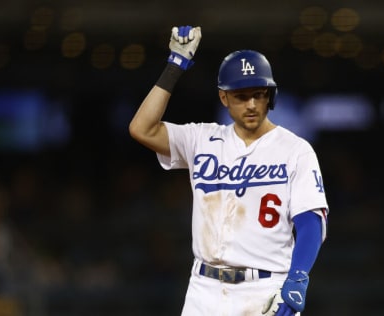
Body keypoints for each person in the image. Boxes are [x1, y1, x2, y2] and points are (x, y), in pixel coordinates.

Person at [129, 25, 329, 316]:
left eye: (258, 94)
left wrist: (298, 277)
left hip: (265, 288)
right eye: (241, 95)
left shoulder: (295, 150)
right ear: (224, 98)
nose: (251, 104)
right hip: (204, 289)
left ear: (269, 96)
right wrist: (174, 66)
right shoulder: (202, 139)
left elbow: (311, 221)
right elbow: (141, 128)